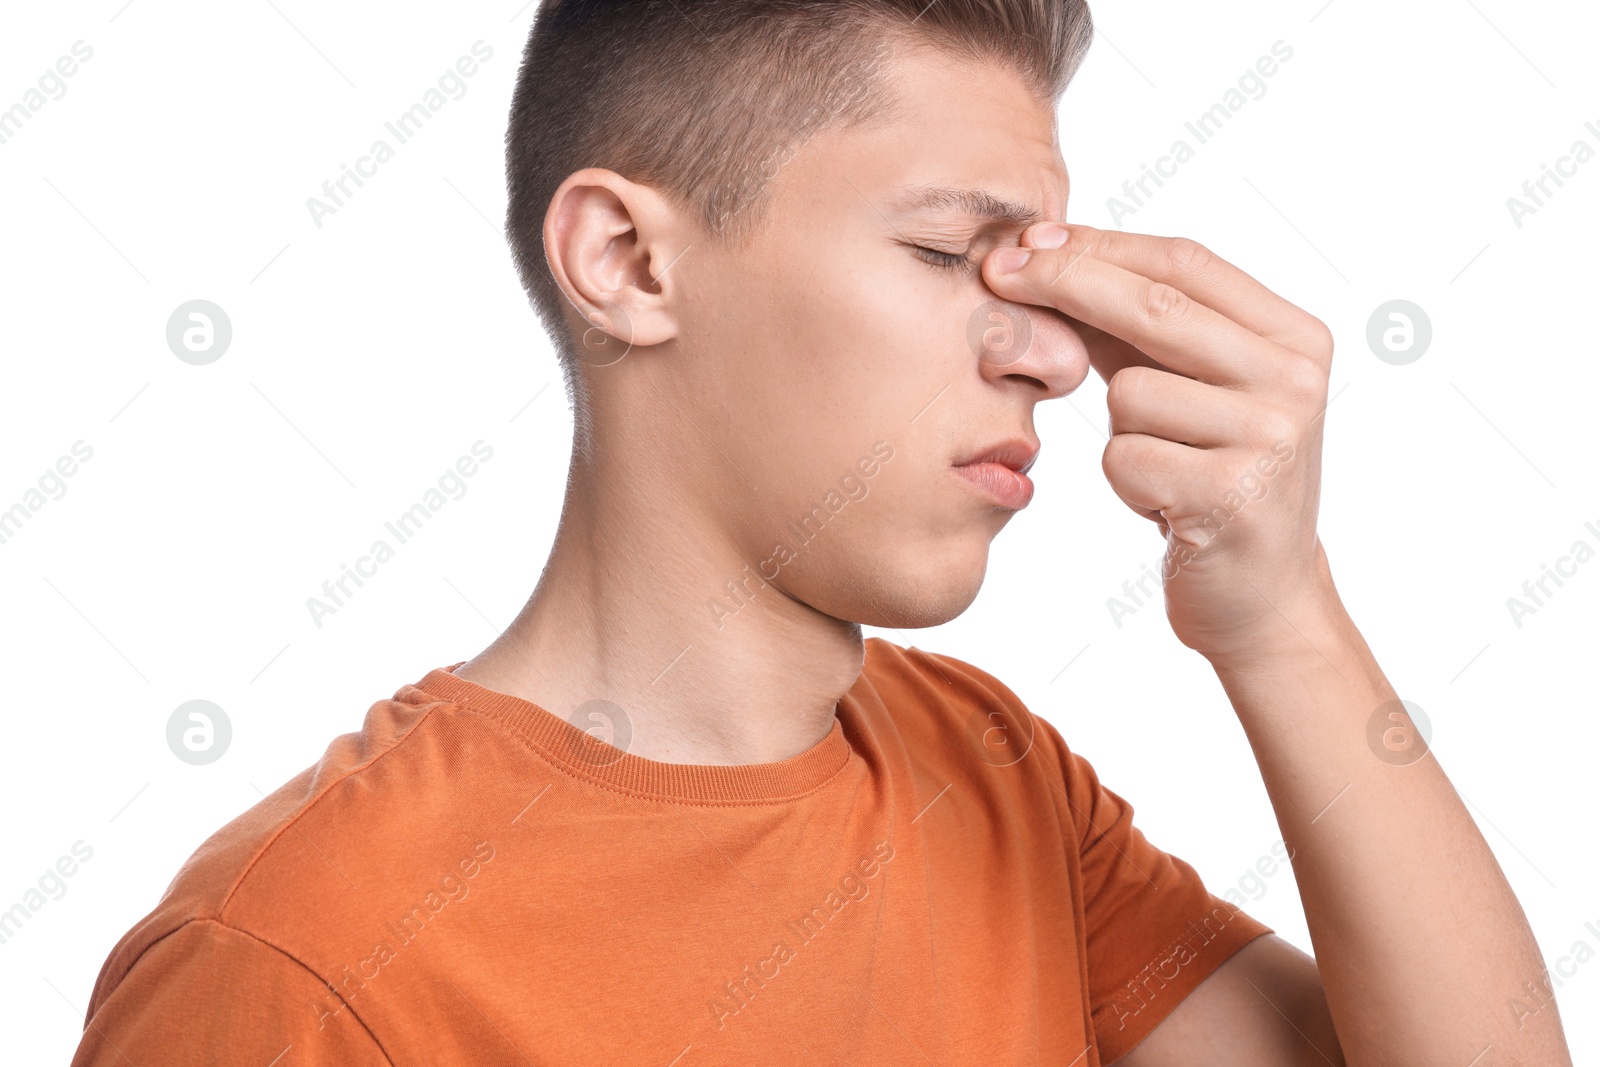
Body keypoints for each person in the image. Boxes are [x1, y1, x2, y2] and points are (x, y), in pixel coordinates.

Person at [71, 1, 1575, 1063]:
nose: (1053, 356)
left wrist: (1280, 615)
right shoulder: (289, 966)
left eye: (1042, 282)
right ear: (626, 261)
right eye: (943, 252)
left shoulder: (992, 777)